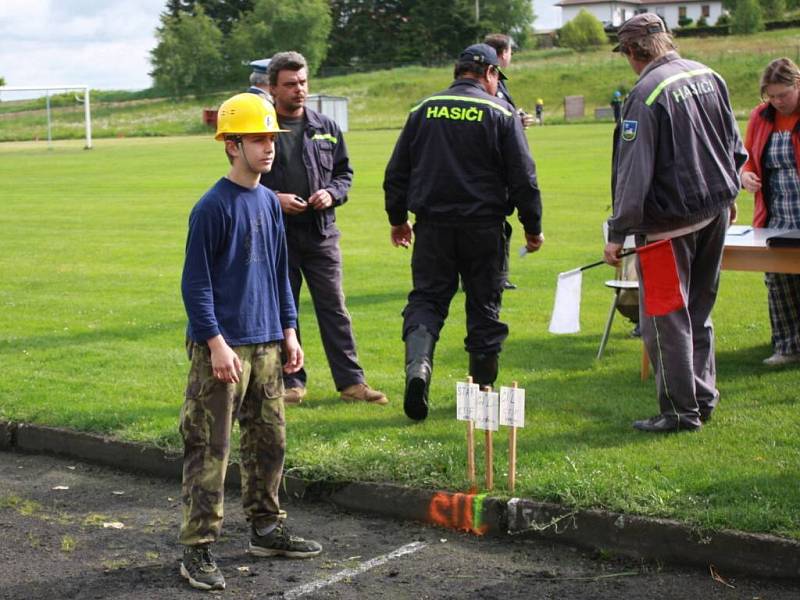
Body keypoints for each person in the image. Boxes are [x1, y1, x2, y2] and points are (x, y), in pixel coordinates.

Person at [179, 93, 321, 591]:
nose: (268, 148)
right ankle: (198, 549)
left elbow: (282, 274)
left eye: (271, 139)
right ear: (231, 145)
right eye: (258, 139)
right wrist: (215, 343)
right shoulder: (212, 207)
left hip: (266, 344)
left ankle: (266, 528)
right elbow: (194, 285)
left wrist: (289, 331)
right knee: (209, 449)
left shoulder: (267, 202)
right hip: (222, 348)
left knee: (270, 444)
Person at [384, 43, 544, 421]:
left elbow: (396, 174)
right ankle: (481, 400)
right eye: (496, 78)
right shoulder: (501, 112)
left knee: (427, 300)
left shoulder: (422, 109)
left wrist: (397, 220)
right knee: (484, 309)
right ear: (489, 73)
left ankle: (418, 370)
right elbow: (524, 177)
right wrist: (532, 227)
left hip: (432, 228)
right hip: (484, 228)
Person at [603, 14, 746, 433]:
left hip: (667, 228)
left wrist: (617, 233)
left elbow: (632, 175)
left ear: (631, 51)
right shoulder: (709, 75)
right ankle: (703, 396)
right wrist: (730, 193)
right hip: (715, 214)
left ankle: (680, 412)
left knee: (665, 320)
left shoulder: (644, 95)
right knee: (698, 311)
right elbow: (734, 146)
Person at [259, 51, 387, 406]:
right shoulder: (262, 128)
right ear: (272, 88)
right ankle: (291, 382)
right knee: (285, 312)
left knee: (334, 307)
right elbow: (246, 182)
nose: (298, 90)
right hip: (277, 235)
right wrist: (275, 199)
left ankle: (351, 383)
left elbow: (344, 173)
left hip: (321, 234)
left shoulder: (325, 127)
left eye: (302, 82)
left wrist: (332, 193)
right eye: (290, 84)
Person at [742, 58, 800, 367]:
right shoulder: (760, 117)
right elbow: (749, 158)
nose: (778, 102)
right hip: (776, 215)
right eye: (772, 96)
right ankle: (787, 346)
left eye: (784, 95)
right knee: (778, 280)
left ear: (797, 84)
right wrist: (746, 175)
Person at [483, 33, 534, 292]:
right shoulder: (488, 85)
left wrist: (517, 119)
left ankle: (494, 276)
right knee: (496, 228)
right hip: (492, 168)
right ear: (503, 54)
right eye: (511, 52)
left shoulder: (498, 83)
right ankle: (494, 278)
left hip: (493, 165)